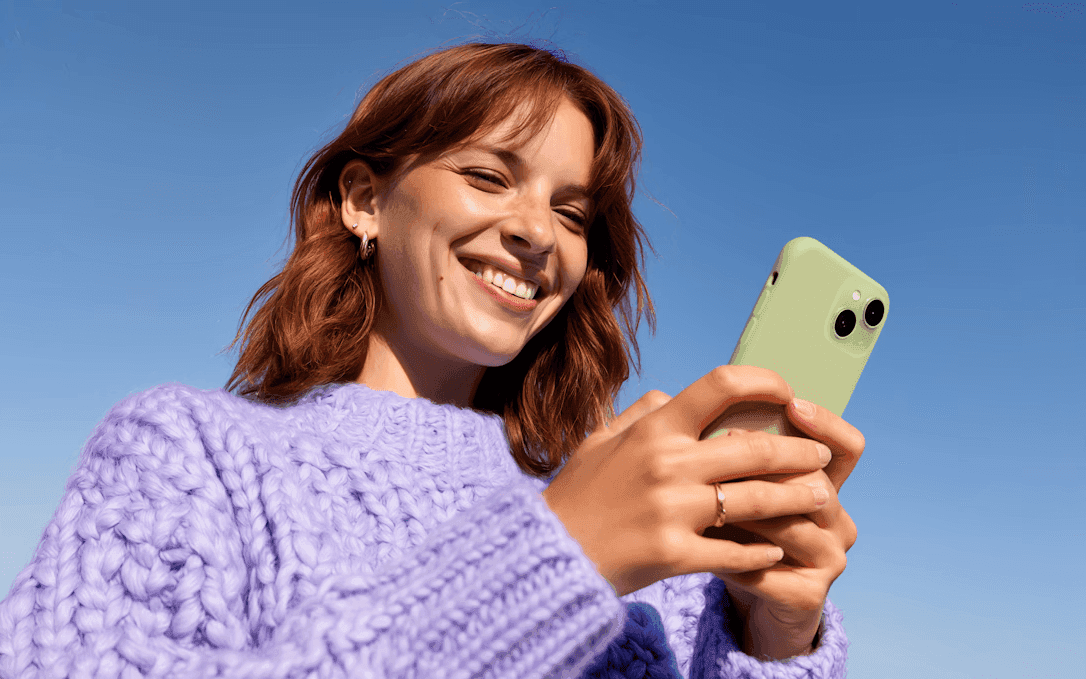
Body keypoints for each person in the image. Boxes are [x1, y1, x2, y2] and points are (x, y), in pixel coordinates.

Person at [0, 42, 861, 678]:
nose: (536, 231)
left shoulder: (653, 539)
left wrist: (776, 637)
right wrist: (553, 561)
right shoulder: (190, 455)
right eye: (489, 177)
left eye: (571, 213)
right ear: (364, 200)